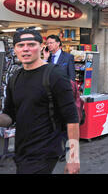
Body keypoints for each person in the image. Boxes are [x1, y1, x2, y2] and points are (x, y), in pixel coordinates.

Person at [0, 29, 80, 174]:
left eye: (31, 44)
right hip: (22, 149)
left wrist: (73, 158)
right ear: (15, 49)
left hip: (45, 150)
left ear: (41, 47)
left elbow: (72, 118)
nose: (25, 49)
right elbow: (9, 116)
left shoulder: (55, 74)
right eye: (20, 45)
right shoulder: (14, 78)